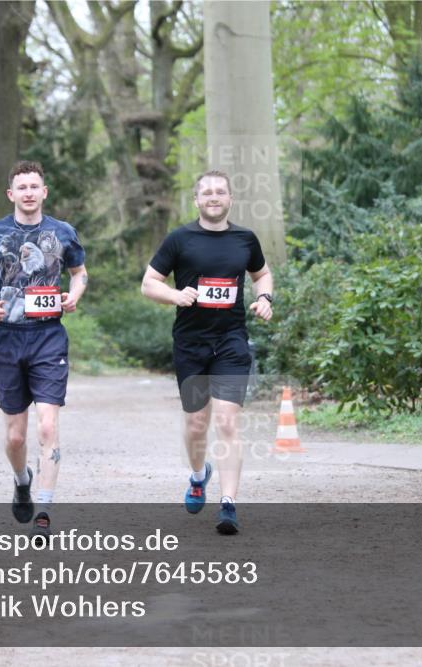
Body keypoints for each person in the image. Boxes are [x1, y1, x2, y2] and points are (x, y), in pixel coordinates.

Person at [141, 169, 273, 534]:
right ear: (197, 200)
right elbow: (149, 283)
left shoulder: (245, 239)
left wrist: (265, 297)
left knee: (227, 422)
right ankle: (199, 476)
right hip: (191, 343)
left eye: (220, 192)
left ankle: (228, 504)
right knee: (197, 424)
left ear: (230, 199)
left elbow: (262, 274)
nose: (214, 197)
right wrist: (175, 295)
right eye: (207, 193)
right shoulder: (180, 239)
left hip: (231, 341)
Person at [0, 160, 87, 539]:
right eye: (23, 187)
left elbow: (79, 273)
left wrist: (73, 296)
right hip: (9, 340)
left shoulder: (63, 233)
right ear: (11, 194)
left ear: (44, 192)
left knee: (48, 425)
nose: (29, 192)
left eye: (36, 186)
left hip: (49, 337)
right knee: (15, 437)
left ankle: (44, 509)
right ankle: (22, 480)